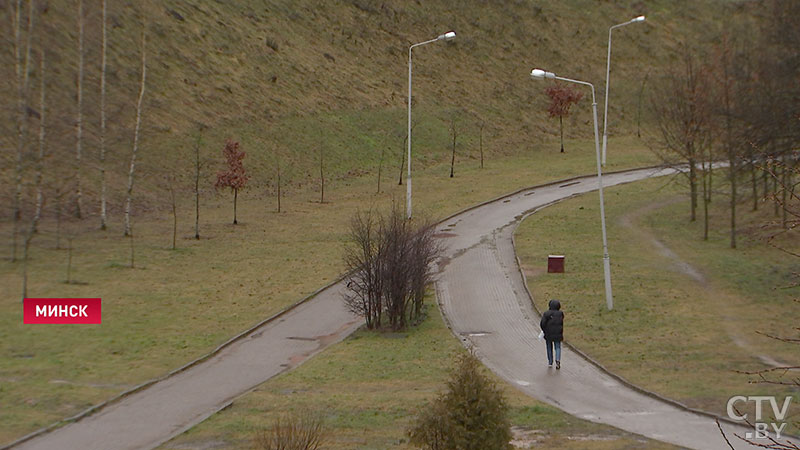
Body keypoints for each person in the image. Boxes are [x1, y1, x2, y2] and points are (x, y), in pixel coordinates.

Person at [540, 299, 564, 369]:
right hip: (558, 333)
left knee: (549, 347)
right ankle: (558, 360)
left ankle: (550, 362)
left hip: (548, 333)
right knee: (558, 347)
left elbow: (542, 323)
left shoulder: (546, 313)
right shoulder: (560, 314)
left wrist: (544, 330)